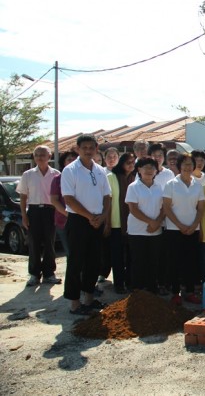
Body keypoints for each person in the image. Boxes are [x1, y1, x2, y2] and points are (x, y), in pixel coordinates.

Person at [61, 134, 112, 315]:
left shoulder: (100, 170)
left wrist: (104, 215)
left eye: (91, 147)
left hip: (97, 221)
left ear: (96, 149)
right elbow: (68, 198)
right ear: (78, 149)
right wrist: (89, 216)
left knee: (94, 261)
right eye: (85, 148)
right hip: (79, 221)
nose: (88, 150)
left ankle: (89, 299)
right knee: (76, 262)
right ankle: (75, 303)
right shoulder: (70, 170)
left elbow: (107, 195)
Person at [163, 153, 205, 305]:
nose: (188, 167)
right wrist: (180, 225)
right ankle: (175, 292)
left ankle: (189, 291)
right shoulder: (171, 184)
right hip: (175, 230)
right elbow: (167, 208)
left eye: (190, 164)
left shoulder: (198, 185)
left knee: (191, 262)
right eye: (185, 164)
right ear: (179, 166)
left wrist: (194, 225)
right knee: (174, 262)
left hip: (193, 229)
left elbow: (201, 208)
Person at [18, 145, 61, 287]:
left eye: (43, 154)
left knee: (50, 243)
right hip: (34, 211)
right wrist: (24, 216)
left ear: (49, 156)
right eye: (37, 154)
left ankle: (49, 273)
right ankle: (34, 274)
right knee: (34, 244)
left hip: (50, 211)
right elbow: (23, 197)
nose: (39, 157)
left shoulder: (56, 174)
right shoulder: (28, 175)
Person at [126, 157, 165, 292]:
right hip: (137, 231)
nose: (149, 170)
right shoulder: (133, 187)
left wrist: (157, 223)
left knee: (154, 261)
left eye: (152, 168)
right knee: (138, 261)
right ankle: (137, 290)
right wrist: (151, 222)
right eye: (146, 167)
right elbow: (133, 209)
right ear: (139, 170)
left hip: (156, 231)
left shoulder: (159, 187)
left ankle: (152, 289)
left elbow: (164, 208)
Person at [105, 152, 136, 294]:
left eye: (133, 162)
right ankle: (118, 284)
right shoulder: (111, 177)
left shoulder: (135, 178)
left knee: (131, 256)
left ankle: (130, 282)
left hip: (133, 225)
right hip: (116, 224)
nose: (131, 165)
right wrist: (107, 223)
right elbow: (108, 202)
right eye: (128, 162)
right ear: (121, 163)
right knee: (117, 257)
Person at [50, 151, 78, 257]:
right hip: (64, 221)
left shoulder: (83, 177)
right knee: (71, 252)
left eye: (74, 159)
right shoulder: (57, 179)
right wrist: (69, 214)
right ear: (63, 162)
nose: (72, 162)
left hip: (83, 219)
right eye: (69, 159)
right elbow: (54, 200)